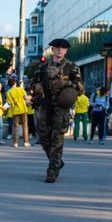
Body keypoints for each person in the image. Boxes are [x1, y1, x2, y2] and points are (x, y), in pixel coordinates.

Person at [29, 38, 84, 182]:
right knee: (43, 137)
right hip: (44, 105)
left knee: (57, 138)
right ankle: (57, 161)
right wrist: (37, 87)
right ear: (52, 49)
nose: (60, 50)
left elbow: (80, 87)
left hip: (61, 107)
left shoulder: (71, 67)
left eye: (63, 48)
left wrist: (66, 82)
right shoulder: (43, 67)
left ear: (66, 51)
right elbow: (33, 82)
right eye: (57, 47)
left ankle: (52, 170)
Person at [6, 78, 30, 147]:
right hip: (23, 109)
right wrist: (30, 99)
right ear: (15, 83)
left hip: (15, 110)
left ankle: (15, 143)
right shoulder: (21, 89)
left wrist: (4, 108)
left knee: (15, 127)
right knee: (24, 125)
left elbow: (9, 103)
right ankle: (26, 142)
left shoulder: (8, 92)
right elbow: (26, 98)